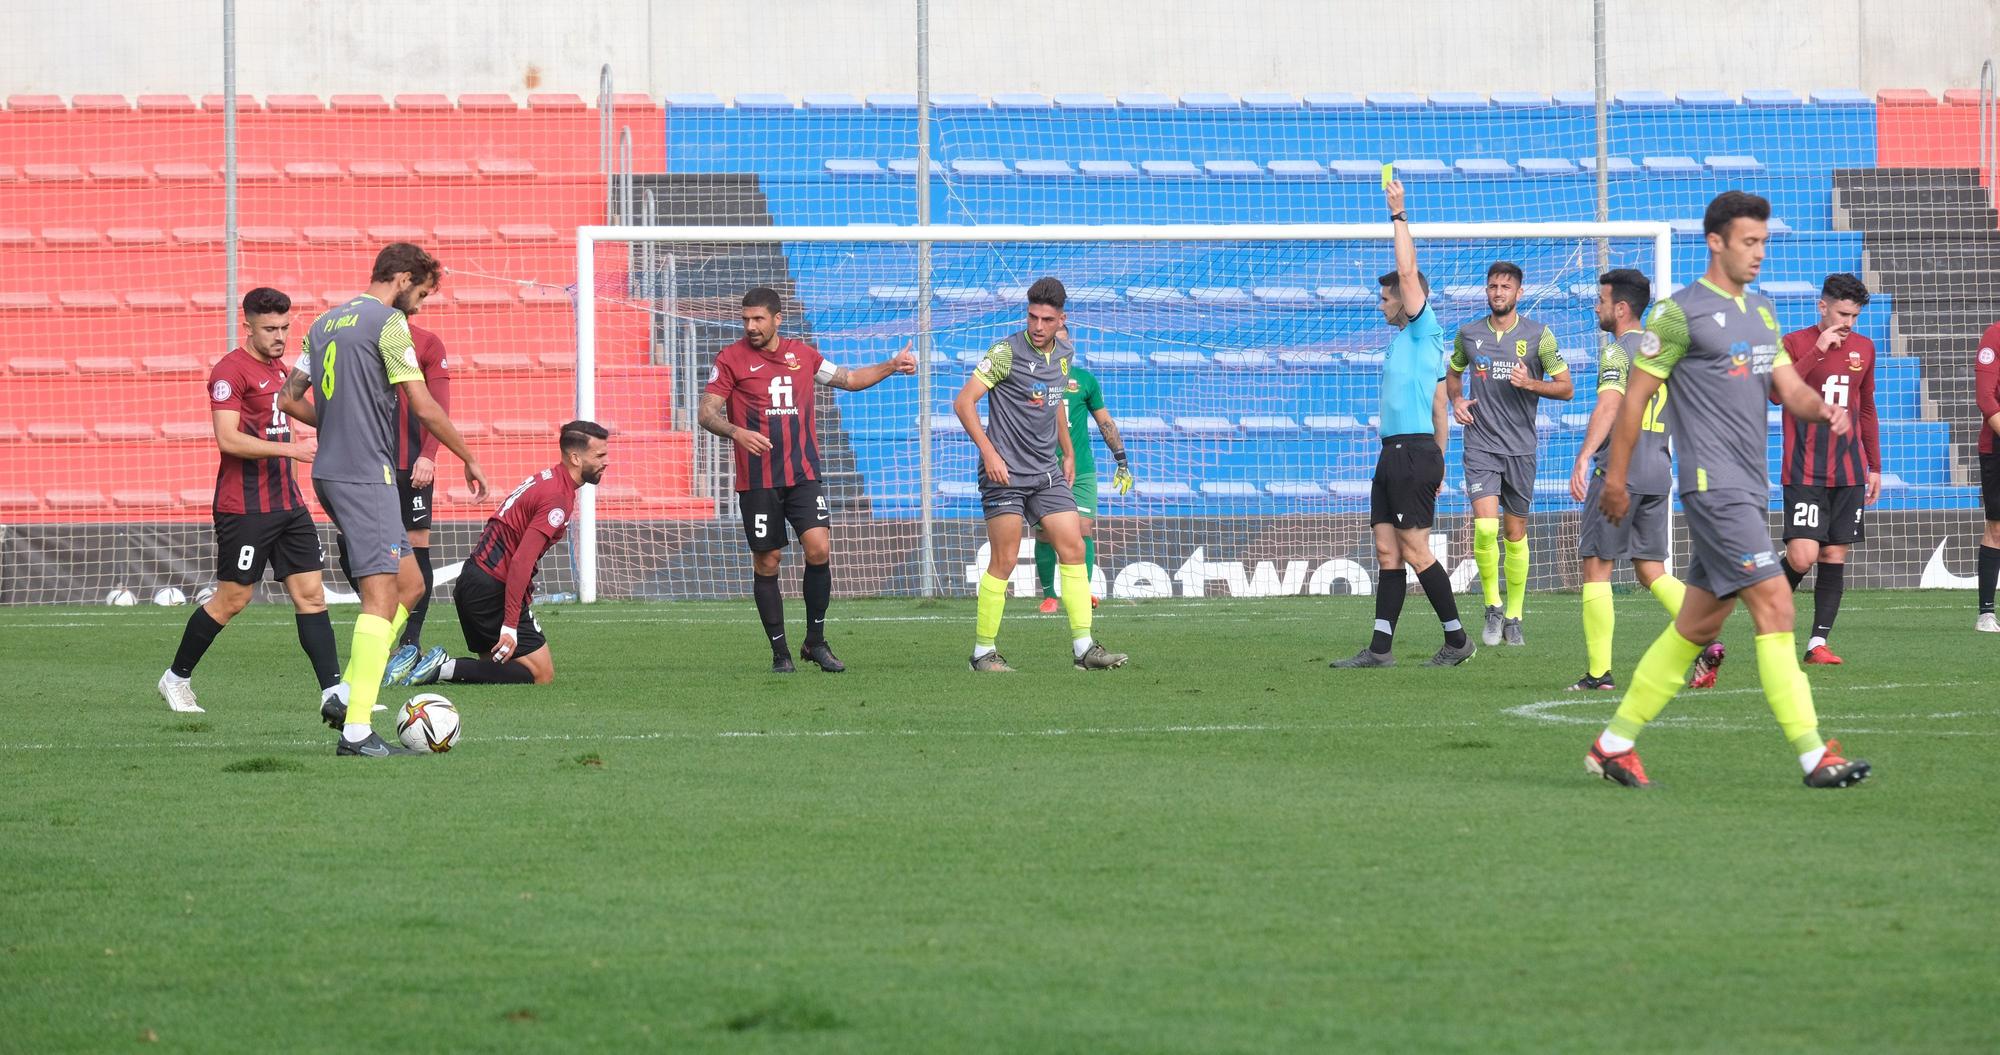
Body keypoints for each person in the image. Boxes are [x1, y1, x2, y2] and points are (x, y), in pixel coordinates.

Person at [1589, 191, 1870, 789]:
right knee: (1776, 603)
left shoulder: (1762, 312)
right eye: (1749, 241)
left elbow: (1786, 388)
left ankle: (1614, 744)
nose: (1759, 252)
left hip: (1751, 486)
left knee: (1696, 627)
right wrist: (1614, 476)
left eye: (1763, 241)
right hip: (1712, 487)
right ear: (1715, 241)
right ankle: (1813, 754)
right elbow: (1635, 397)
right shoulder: (1677, 313)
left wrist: (1823, 410)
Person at [278, 242, 488, 757]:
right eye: (419, 293)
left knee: (411, 584)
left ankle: (347, 693)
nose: (418, 306)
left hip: (338, 470)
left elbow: (288, 397)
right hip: (363, 475)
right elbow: (423, 406)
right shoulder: (388, 324)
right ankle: (355, 732)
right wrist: (468, 456)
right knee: (380, 598)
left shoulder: (324, 323)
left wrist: (337, 426)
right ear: (399, 278)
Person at [698, 286, 916, 673]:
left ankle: (815, 642)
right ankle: (780, 653)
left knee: (818, 549)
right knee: (768, 561)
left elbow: (848, 378)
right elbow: (707, 412)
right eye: (745, 319)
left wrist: (891, 365)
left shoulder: (803, 355)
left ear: (777, 319)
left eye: (758, 319)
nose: (750, 326)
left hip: (803, 475)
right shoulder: (730, 359)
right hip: (758, 481)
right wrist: (736, 432)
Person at [157, 287, 341, 714]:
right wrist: (291, 450)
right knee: (233, 600)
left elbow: (300, 409)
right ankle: (175, 678)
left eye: (284, 327)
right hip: (244, 508)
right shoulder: (230, 372)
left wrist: (345, 419)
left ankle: (334, 692)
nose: (279, 336)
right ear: (249, 327)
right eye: (270, 328)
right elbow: (228, 439)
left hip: (288, 505)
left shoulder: (281, 370)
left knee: (311, 595)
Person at [1331, 178, 1475, 669]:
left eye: (1387, 297)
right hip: (1398, 453)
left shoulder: (1423, 326)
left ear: (1409, 300)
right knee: (1387, 551)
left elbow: (1409, 271)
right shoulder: (1404, 346)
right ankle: (1380, 649)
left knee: (1415, 550)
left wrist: (1398, 214)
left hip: (1412, 453)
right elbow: (1440, 405)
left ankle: (1457, 639)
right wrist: (1440, 461)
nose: (1382, 304)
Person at [955, 277, 1127, 672]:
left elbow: (1053, 405)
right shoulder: (1004, 352)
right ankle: (982, 653)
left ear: (1060, 319)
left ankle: (1085, 650)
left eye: (1046, 319)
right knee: (1006, 558)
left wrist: (1067, 452)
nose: (1037, 326)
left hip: (1046, 472)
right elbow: (964, 403)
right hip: (1005, 474)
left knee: (1074, 547)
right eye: (1032, 317)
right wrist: (989, 453)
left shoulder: (1064, 353)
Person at [1566, 269, 1706, 691]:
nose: (1596, 306)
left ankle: (1598, 674)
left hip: (1619, 474)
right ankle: (1705, 634)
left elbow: (1609, 407)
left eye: (1602, 300)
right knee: (1650, 570)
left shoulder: (1617, 353)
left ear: (1621, 308)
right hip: (1658, 472)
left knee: (1596, 568)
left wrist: (1585, 456)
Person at [412, 421, 608, 686]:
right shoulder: (557, 497)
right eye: (599, 455)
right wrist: (510, 624)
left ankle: (440, 668)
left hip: (473, 580)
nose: (605, 462)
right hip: (492, 588)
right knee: (542, 674)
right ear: (575, 457)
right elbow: (521, 561)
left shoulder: (546, 479)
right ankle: (442, 667)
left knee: (495, 670)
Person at [1447, 260, 1574, 647]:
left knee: (1515, 533)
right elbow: (1453, 371)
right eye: (1492, 287)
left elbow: (1566, 388)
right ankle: (1492, 606)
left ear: (1520, 293)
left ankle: (1515, 616)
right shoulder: (1468, 334)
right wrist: (1456, 399)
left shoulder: (1539, 336)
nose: (1497, 293)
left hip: (1520, 448)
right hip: (1481, 443)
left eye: (1505, 287)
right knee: (1486, 528)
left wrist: (1530, 383)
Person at [336, 322, 452, 686]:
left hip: (411, 465)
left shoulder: (428, 342)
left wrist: (429, 455)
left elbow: (437, 405)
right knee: (349, 543)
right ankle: (381, 613)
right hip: (366, 463)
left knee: (417, 546)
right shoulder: (361, 338)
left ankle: (409, 642)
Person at [1775, 273, 1880, 664]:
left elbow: (1866, 408)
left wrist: (1874, 466)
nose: (1848, 323)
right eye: (1842, 313)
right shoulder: (1794, 343)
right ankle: (1770, 608)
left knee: (1834, 555)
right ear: (1822, 307)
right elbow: (1774, 392)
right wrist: (1818, 350)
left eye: (1854, 316)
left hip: (1849, 470)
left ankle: (1816, 643)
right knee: (1802, 556)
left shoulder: (1865, 349)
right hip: (1804, 469)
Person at [1035, 341, 1133, 614]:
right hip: (1042, 465)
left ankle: (1081, 592)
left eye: (1063, 341)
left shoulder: (1085, 380)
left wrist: (1121, 459)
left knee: (1083, 527)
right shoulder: (1032, 377)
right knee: (1044, 534)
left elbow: (1105, 422)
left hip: (1081, 468)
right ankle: (1049, 596)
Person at [1977, 316, 2000, 631]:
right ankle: (1985, 613)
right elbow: (1985, 397)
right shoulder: (1995, 335)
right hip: (1997, 445)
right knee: (1997, 528)